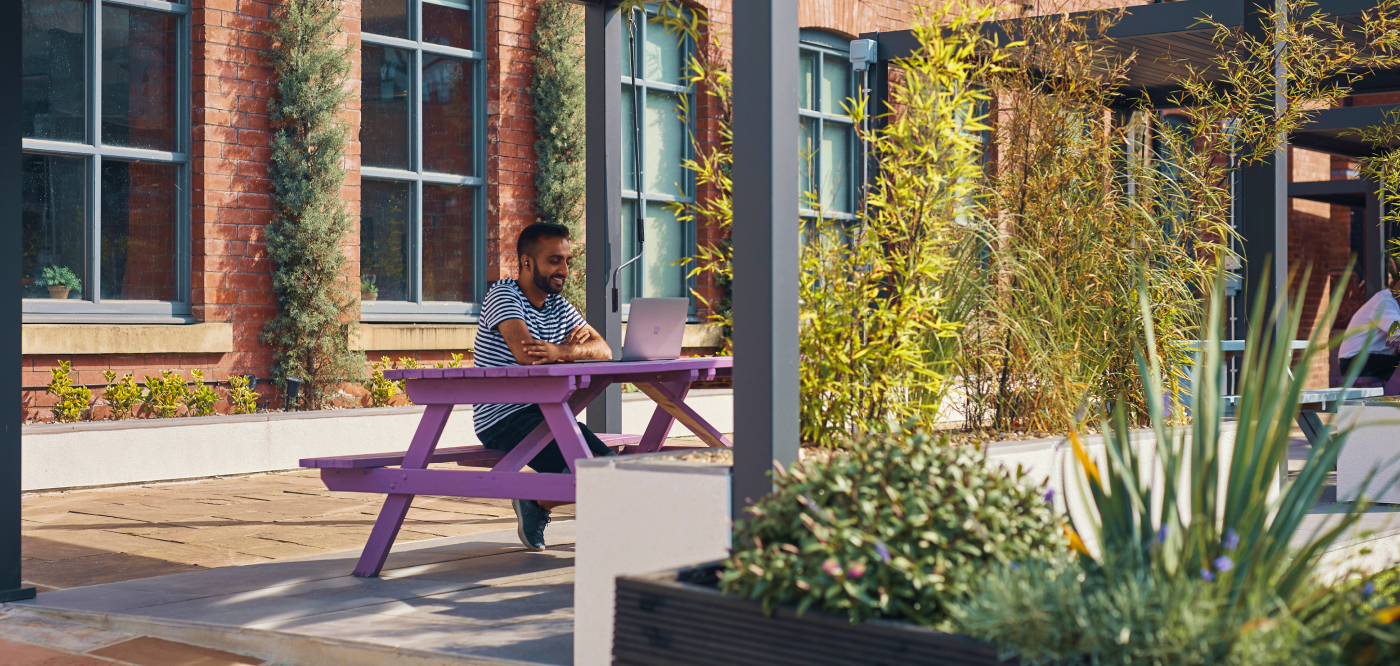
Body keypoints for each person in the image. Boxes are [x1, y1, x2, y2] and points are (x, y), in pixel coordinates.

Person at [474, 222, 614, 551]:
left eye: (567, 260)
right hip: (504, 418)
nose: (563, 269)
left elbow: (603, 351)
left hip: (547, 413)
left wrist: (559, 352)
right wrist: (568, 355)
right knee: (596, 471)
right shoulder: (503, 295)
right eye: (554, 260)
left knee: (606, 463)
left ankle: (536, 502)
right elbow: (527, 355)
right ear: (526, 262)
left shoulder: (558, 305)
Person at [1338, 280, 1400, 380]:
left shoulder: (1392, 303)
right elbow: (1397, 333)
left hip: (1373, 359)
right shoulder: (1384, 302)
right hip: (1354, 362)